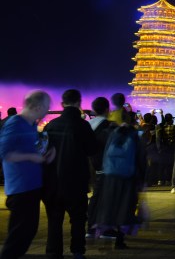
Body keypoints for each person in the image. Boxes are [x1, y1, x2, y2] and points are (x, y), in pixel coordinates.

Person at [42, 89, 98, 259]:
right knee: (78, 219)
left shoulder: (51, 126)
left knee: (54, 219)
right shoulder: (83, 125)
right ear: (79, 103)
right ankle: (77, 251)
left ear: (62, 104)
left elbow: (43, 152)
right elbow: (92, 150)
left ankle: (53, 252)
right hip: (76, 180)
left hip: (53, 181)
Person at [0, 91, 55, 259]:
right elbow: (5, 153)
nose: (47, 111)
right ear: (38, 107)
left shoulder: (31, 125)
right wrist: (32, 157)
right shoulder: (15, 123)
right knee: (18, 237)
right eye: (46, 107)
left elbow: (27, 149)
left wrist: (44, 154)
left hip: (31, 186)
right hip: (20, 188)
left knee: (26, 233)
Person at [93, 110, 145, 249]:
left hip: (110, 176)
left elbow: (105, 154)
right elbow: (141, 157)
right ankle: (120, 240)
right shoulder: (134, 134)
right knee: (125, 208)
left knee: (110, 205)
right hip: (128, 177)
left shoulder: (111, 133)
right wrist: (142, 178)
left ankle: (104, 233)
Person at [86, 97, 115, 239]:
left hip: (91, 166)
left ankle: (91, 227)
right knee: (108, 198)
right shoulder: (109, 126)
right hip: (107, 166)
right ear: (106, 110)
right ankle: (105, 229)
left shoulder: (87, 125)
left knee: (96, 197)